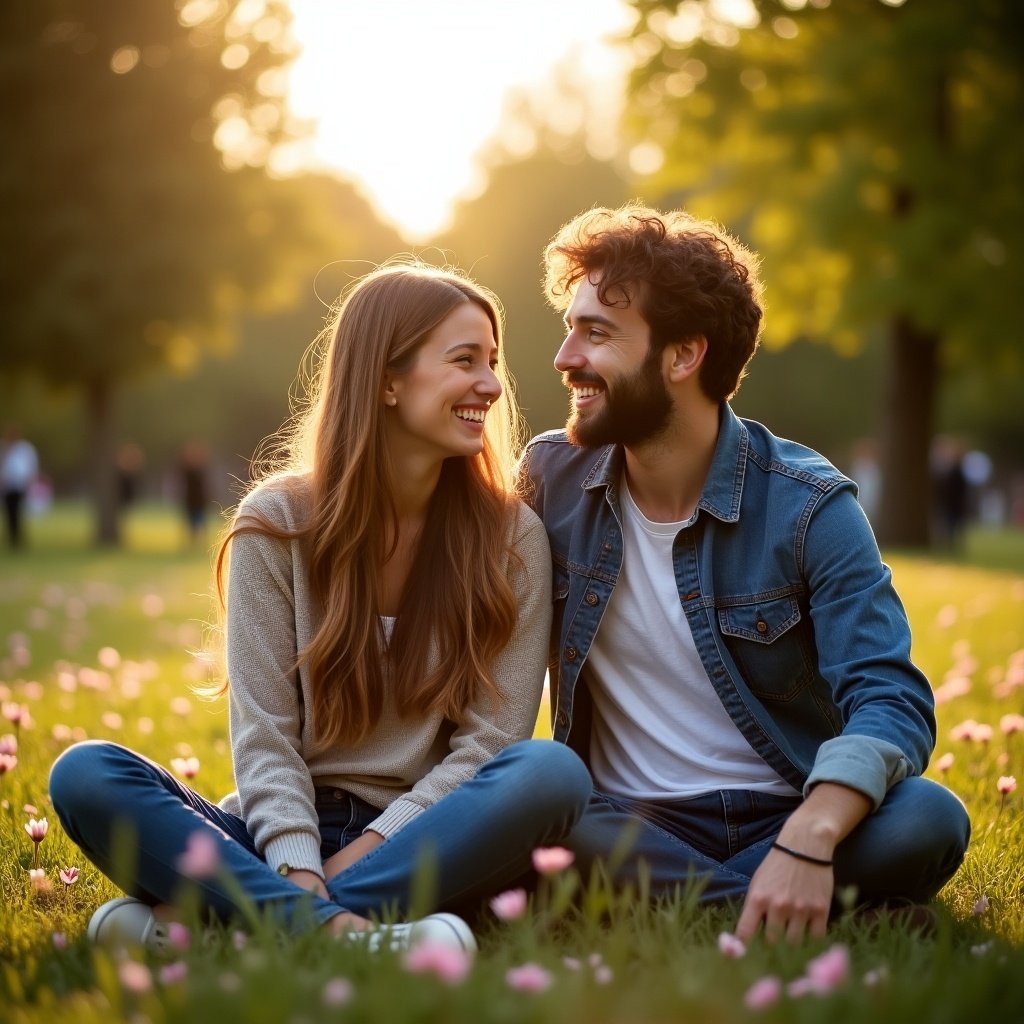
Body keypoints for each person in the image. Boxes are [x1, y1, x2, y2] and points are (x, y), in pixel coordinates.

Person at [50, 262, 591, 951]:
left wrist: (343, 868)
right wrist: (299, 872)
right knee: (87, 773)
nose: (490, 383)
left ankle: (225, 927)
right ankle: (346, 932)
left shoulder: (512, 539)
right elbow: (265, 738)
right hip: (274, 830)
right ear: (387, 380)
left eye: (492, 361)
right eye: (464, 360)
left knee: (550, 774)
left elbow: (491, 745)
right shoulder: (276, 524)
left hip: (427, 834)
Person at [519, 206, 970, 944]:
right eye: (571, 327)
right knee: (540, 797)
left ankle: (714, 898)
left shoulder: (807, 503)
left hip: (786, 805)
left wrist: (811, 834)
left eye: (596, 333)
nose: (566, 357)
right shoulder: (550, 477)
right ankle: (787, 912)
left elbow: (889, 697)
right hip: (624, 819)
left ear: (682, 355)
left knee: (929, 817)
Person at [1, 427, 39, 549]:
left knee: (20, 512)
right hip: (7, 486)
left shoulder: (25, 449)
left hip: (21, 484)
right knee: (9, 513)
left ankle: (20, 537)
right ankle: (12, 538)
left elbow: (31, 465)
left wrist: (30, 480)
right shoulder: (3, 448)